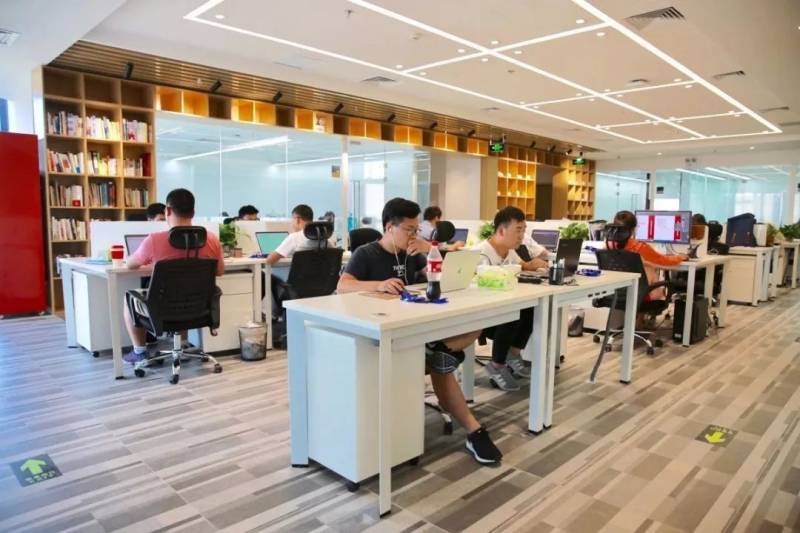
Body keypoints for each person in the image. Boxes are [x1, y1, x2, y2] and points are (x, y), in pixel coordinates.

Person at [337, 197, 503, 464]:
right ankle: (474, 430)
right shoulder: (366, 253)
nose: (413, 235)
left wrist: (431, 251)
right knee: (441, 365)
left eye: (417, 230)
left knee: (475, 324)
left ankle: (439, 351)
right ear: (389, 227)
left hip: (416, 328)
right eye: (409, 230)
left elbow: (438, 279)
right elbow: (343, 286)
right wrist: (378, 284)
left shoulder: (411, 254)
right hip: (383, 337)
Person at [123, 189, 224, 364]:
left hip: (163, 308)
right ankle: (183, 344)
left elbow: (130, 264)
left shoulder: (154, 240)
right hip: (198, 308)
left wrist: (155, 263)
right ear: (193, 212)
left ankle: (139, 351)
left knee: (128, 297)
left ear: (167, 211)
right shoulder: (212, 239)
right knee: (185, 289)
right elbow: (219, 271)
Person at [474, 207, 547, 391]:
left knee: (531, 308)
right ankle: (497, 365)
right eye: (518, 230)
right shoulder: (480, 254)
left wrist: (532, 265)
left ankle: (512, 354)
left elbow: (522, 265)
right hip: (481, 315)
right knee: (512, 312)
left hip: (501, 309)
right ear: (501, 230)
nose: (522, 236)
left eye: (524, 230)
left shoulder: (509, 251)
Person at [611, 210, 687, 300]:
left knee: (647, 264)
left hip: (615, 294)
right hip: (639, 296)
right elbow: (662, 260)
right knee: (649, 267)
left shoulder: (608, 246)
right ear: (633, 229)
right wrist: (679, 257)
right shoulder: (640, 247)